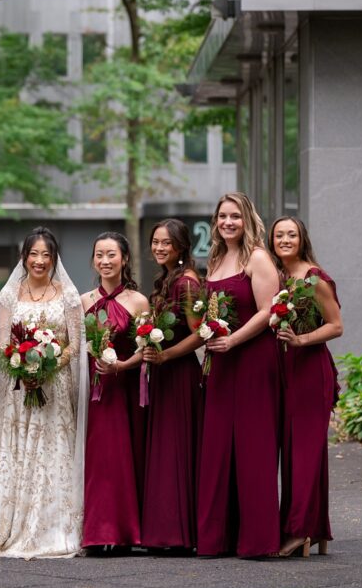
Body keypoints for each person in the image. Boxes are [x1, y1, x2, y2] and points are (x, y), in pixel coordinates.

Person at [0, 227, 89, 559]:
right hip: (17, 389)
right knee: (13, 454)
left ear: (54, 259)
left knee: (52, 453)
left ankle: (52, 528)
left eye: (46, 255)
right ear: (24, 257)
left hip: (55, 387)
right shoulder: (9, 295)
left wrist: (47, 366)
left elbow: (75, 345)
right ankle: (4, 526)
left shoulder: (68, 295)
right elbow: (2, 342)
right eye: (34, 254)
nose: (40, 260)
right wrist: (22, 367)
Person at [197, 192, 281, 558]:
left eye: (235, 216)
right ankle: (217, 538)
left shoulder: (257, 257)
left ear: (247, 219)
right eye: (222, 216)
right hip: (221, 362)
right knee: (216, 448)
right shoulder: (215, 258)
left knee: (252, 447)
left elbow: (269, 311)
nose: (228, 222)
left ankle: (258, 540)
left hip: (252, 359)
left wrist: (233, 340)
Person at [269, 216, 343, 558]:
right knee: (295, 450)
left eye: (291, 234)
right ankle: (318, 528)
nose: (285, 239)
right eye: (279, 234)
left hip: (311, 370)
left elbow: (336, 325)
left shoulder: (314, 278)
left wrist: (301, 341)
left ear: (302, 239)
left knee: (305, 452)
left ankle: (300, 530)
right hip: (286, 370)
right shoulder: (280, 277)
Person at [79, 232, 150, 553]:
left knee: (123, 458)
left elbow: (147, 350)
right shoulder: (82, 301)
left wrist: (121, 366)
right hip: (93, 391)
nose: (105, 261)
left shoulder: (138, 301)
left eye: (111, 255)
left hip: (124, 389)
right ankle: (96, 532)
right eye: (99, 255)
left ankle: (123, 532)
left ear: (124, 259)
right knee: (96, 461)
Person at [138, 219, 204, 553]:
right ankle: (163, 531)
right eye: (155, 242)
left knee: (176, 450)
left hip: (179, 375)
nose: (159, 248)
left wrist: (168, 356)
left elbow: (200, 332)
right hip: (162, 374)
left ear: (180, 246)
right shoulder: (167, 280)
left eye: (166, 242)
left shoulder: (188, 283)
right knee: (164, 452)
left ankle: (179, 534)